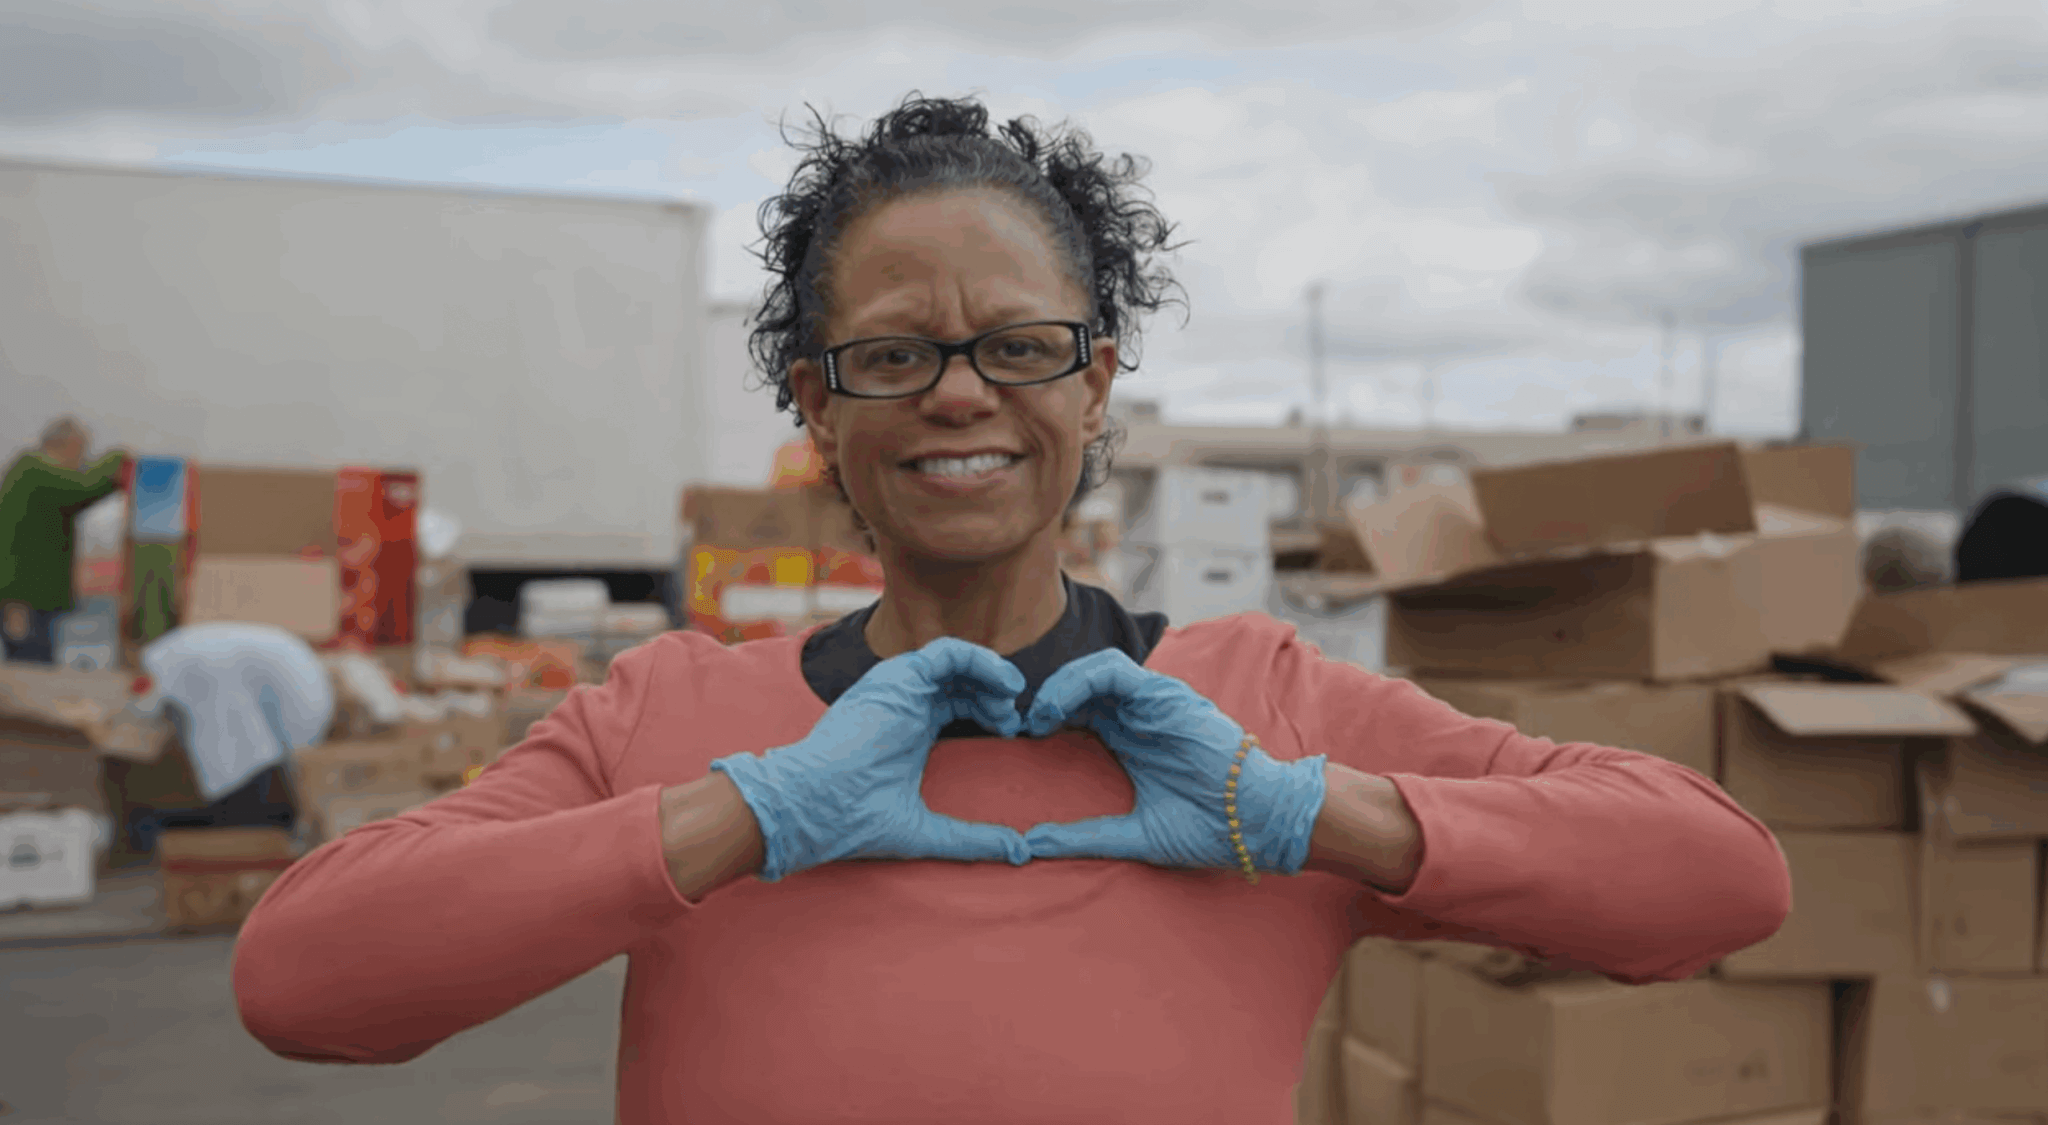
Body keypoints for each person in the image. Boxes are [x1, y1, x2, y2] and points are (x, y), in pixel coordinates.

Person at [232, 95, 1791, 1123]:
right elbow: (306, 985)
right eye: (895, 353)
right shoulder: (671, 717)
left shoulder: (1267, 706)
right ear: (816, 406)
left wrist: (1314, 811)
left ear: (1097, 376)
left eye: (1023, 346)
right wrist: (743, 819)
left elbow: (1717, 885)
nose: (962, 393)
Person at [0, 417, 127, 663]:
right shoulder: (35, 472)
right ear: (69, 446)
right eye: (81, 453)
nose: (81, 462)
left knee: (31, 663)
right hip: (22, 599)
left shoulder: (28, 473)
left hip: (25, 599)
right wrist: (118, 460)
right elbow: (86, 486)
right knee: (31, 666)